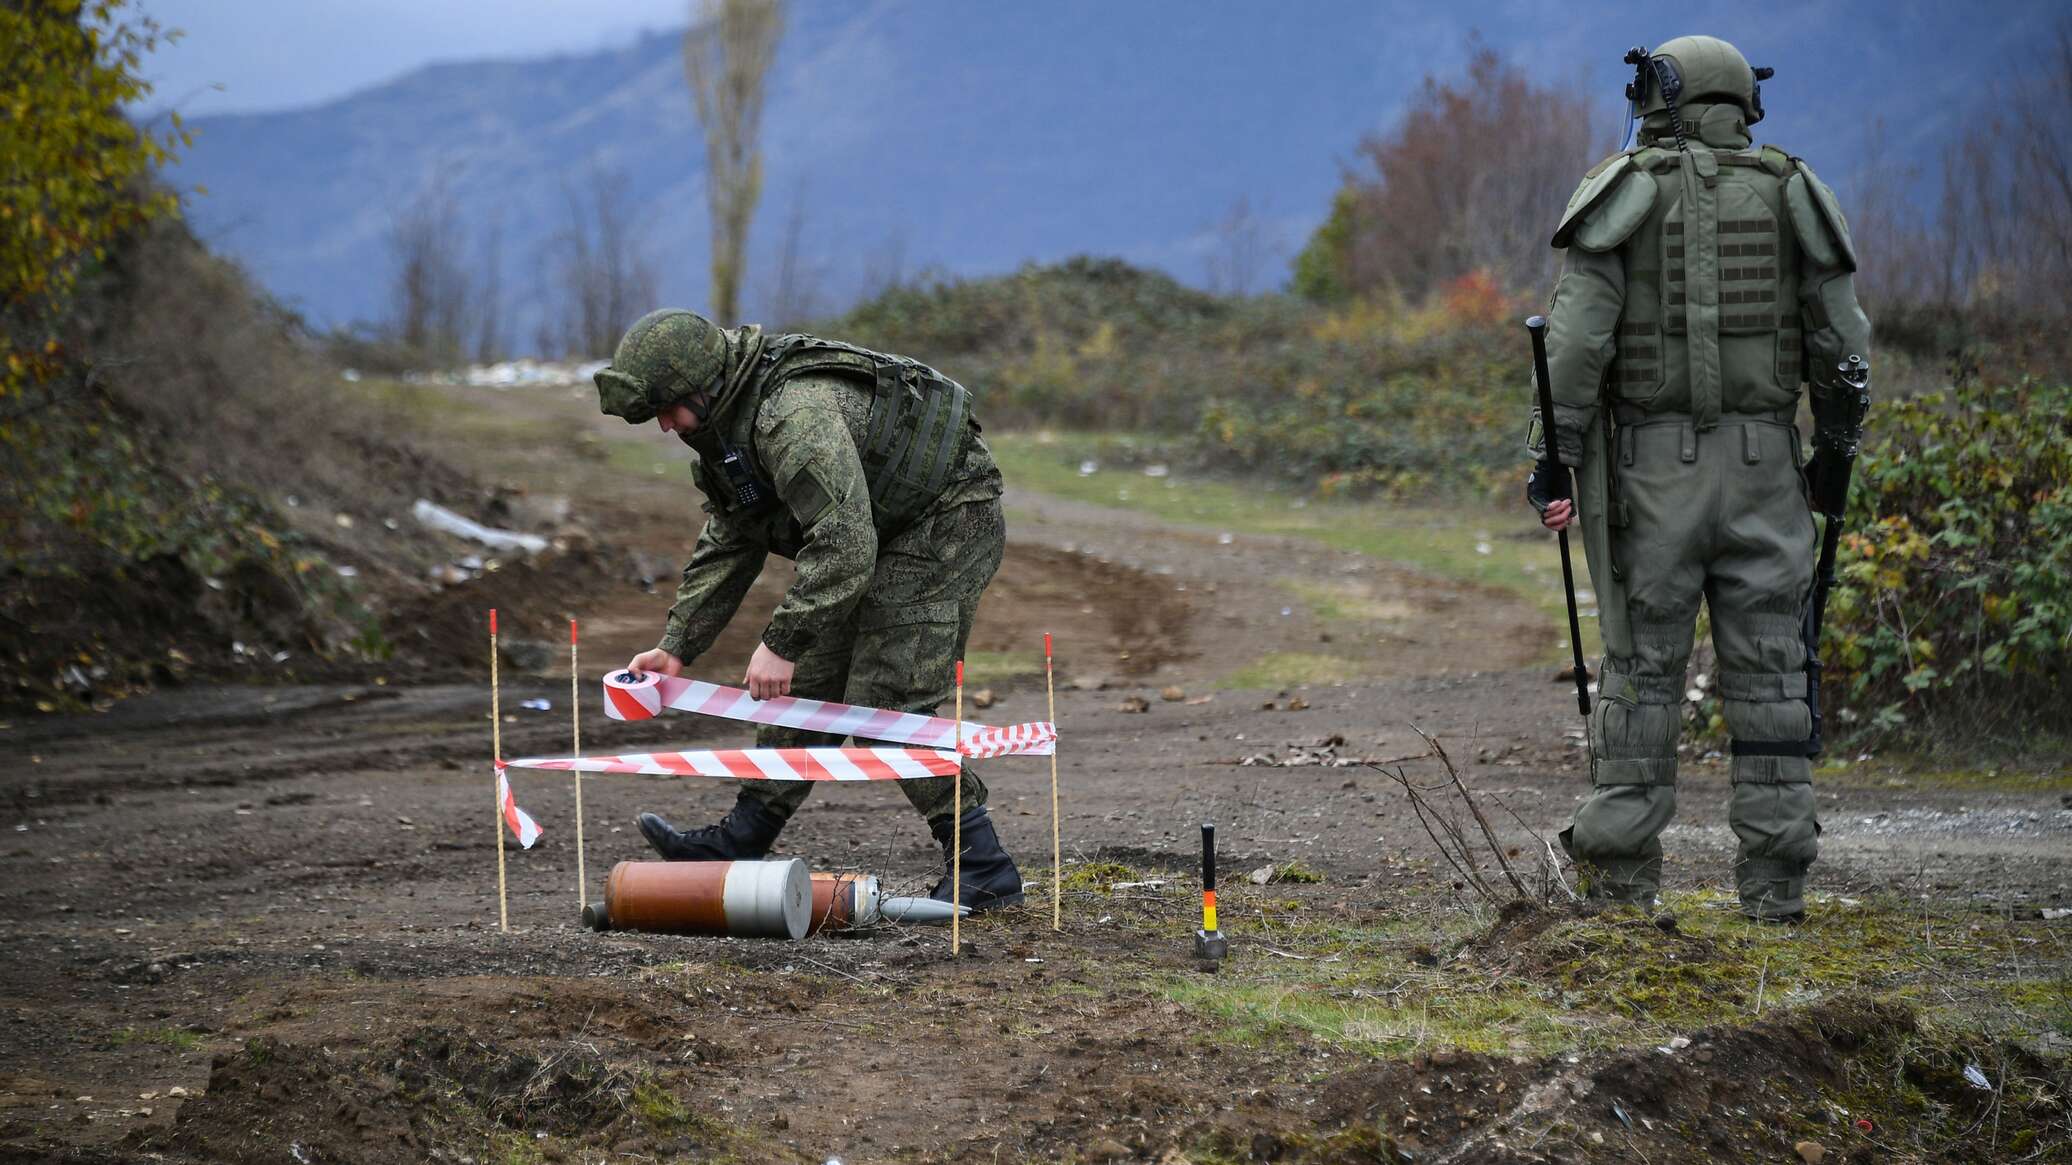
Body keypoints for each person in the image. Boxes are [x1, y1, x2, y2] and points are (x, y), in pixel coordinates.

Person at [1526, 35, 1871, 922]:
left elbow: (1572, 346)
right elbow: (1845, 348)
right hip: (1766, 469)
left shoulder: (1622, 196)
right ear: (1740, 103)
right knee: (1770, 672)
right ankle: (1775, 887)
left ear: (1660, 96)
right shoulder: (1796, 193)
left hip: (1651, 476)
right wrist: (1833, 452)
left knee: (1642, 674)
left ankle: (1620, 884)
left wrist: (1552, 459)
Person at [593, 308, 1024, 910]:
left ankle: (984, 865)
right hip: (880, 527)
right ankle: (744, 837)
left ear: (704, 388)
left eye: (668, 409)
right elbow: (731, 539)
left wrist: (783, 641)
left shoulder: (792, 417)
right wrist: (677, 645)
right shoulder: (726, 432)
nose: (665, 426)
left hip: (945, 521)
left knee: (886, 703)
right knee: (811, 692)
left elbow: (845, 546)